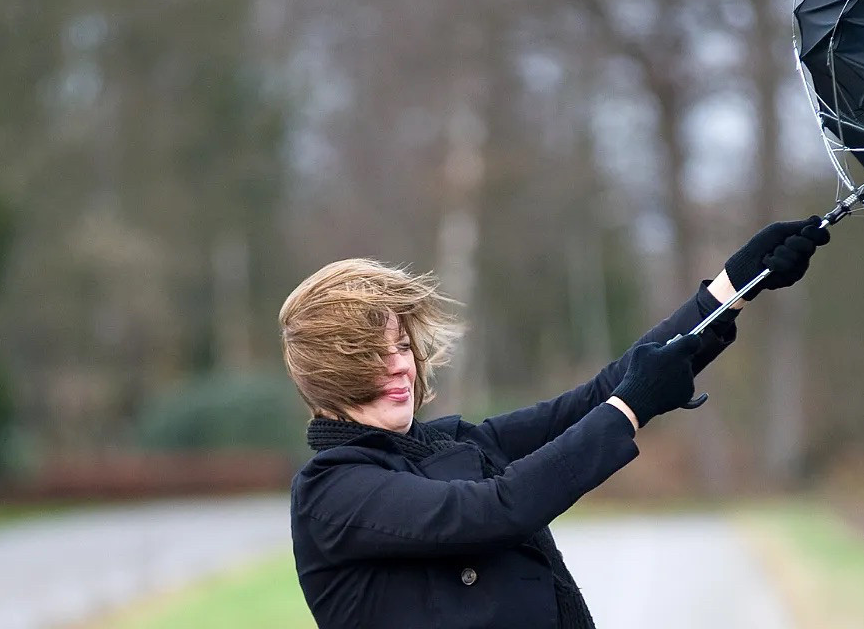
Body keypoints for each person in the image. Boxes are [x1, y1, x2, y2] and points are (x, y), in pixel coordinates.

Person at [280, 217, 830, 629]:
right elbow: (495, 510)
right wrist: (630, 408)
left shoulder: (447, 443)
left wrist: (731, 289)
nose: (401, 365)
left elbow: (593, 397)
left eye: (402, 346)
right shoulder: (332, 492)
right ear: (330, 373)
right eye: (373, 356)